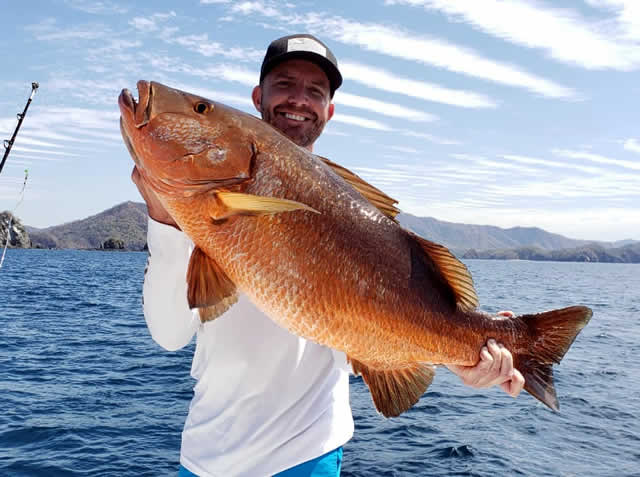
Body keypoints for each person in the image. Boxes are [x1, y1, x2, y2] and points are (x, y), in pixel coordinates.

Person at [132, 33, 525, 477]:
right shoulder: (198, 207)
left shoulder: (348, 209)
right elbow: (168, 335)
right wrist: (162, 218)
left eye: (316, 91)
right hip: (206, 459)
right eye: (285, 84)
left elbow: (377, 328)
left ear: (329, 111)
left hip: (309, 457)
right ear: (259, 97)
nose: (299, 100)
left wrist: (466, 355)